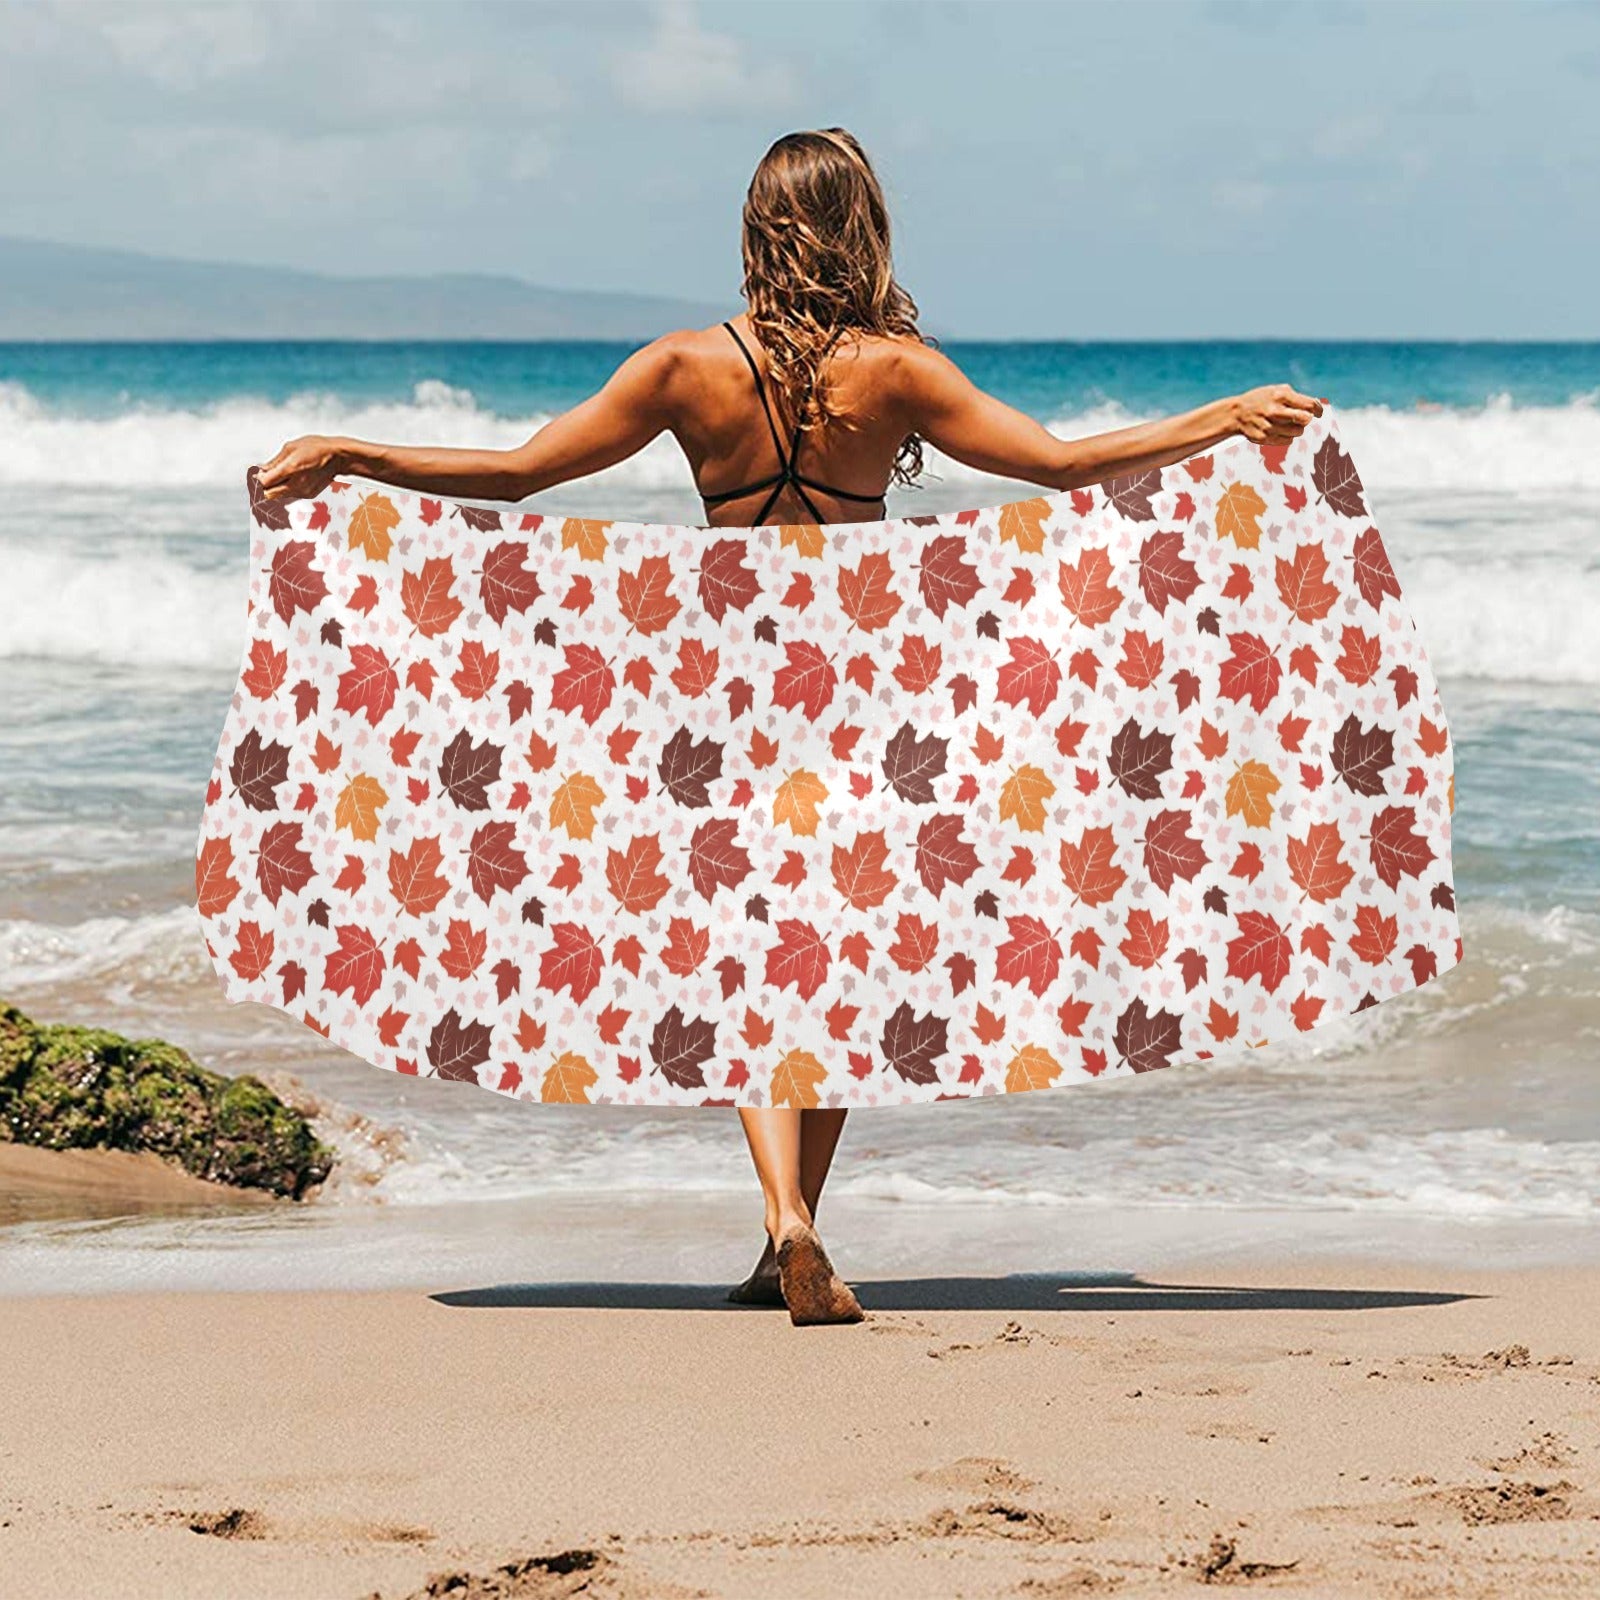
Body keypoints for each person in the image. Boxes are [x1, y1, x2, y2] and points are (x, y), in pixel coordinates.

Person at [257, 127, 1323, 1326]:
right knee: (836, 959)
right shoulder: (897, 371)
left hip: (723, 690)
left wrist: (351, 452)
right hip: (865, 691)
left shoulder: (681, 366)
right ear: (862, 228)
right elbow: (1064, 468)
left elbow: (517, 475)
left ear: (758, 229)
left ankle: (785, 1226)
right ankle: (793, 1223)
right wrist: (1223, 416)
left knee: (751, 960)